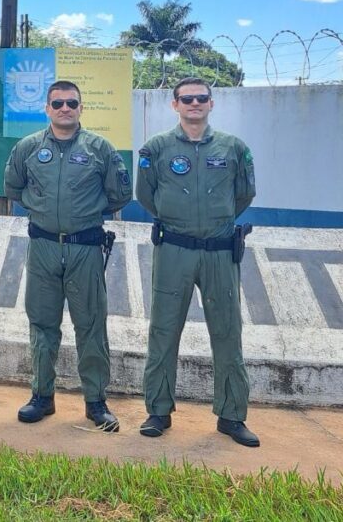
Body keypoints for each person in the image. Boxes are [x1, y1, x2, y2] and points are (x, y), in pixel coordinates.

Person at [136, 77, 259, 447]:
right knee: (163, 329)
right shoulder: (156, 148)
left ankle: (231, 415)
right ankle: (158, 410)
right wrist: (181, 222)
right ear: (174, 105)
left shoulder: (234, 148)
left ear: (211, 103)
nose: (194, 104)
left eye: (201, 98)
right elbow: (146, 195)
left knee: (227, 332)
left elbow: (244, 193)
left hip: (220, 251)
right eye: (186, 99)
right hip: (174, 249)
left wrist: (215, 223)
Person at [3, 80, 131, 431]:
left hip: (85, 248)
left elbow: (120, 194)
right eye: (57, 103)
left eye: (71, 103)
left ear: (80, 108)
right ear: (46, 108)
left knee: (90, 326)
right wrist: (40, 208)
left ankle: (96, 402)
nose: (64, 109)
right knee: (42, 326)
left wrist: (88, 211)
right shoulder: (28, 147)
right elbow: (13, 187)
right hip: (43, 246)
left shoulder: (99, 149)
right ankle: (42, 397)